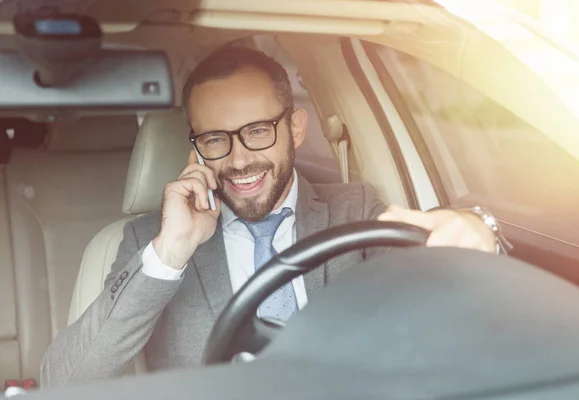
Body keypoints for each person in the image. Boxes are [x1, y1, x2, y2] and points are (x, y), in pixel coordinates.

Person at [41, 45, 506, 388]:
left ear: (296, 128)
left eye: (258, 132)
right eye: (216, 139)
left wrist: (475, 231)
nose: (239, 160)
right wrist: (171, 252)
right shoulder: (151, 242)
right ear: (196, 148)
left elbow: (446, 305)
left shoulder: (355, 210)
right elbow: (65, 381)